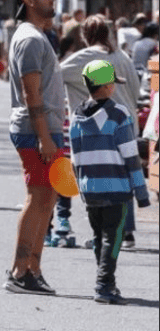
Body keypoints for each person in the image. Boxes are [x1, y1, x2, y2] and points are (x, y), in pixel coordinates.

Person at [69, 59, 152, 305]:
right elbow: (131, 156)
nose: (115, 87)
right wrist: (141, 193)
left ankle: (107, 282)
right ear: (106, 86)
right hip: (116, 187)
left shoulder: (76, 116)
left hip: (90, 186)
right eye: (113, 83)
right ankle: (104, 285)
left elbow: (75, 157)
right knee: (113, 238)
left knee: (98, 237)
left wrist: (81, 186)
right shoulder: (119, 114)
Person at [3, 0, 64, 295]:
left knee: (48, 199)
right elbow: (31, 93)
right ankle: (18, 271)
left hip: (48, 128)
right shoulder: (29, 39)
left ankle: (33, 269)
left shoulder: (39, 37)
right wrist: (44, 137)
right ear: (27, 0)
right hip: (35, 130)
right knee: (38, 197)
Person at [59, 15, 142, 245]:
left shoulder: (86, 56)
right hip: (126, 122)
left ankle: (104, 233)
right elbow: (134, 90)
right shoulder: (122, 56)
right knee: (124, 176)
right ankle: (126, 232)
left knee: (98, 177)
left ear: (85, 35)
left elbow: (57, 74)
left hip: (99, 126)